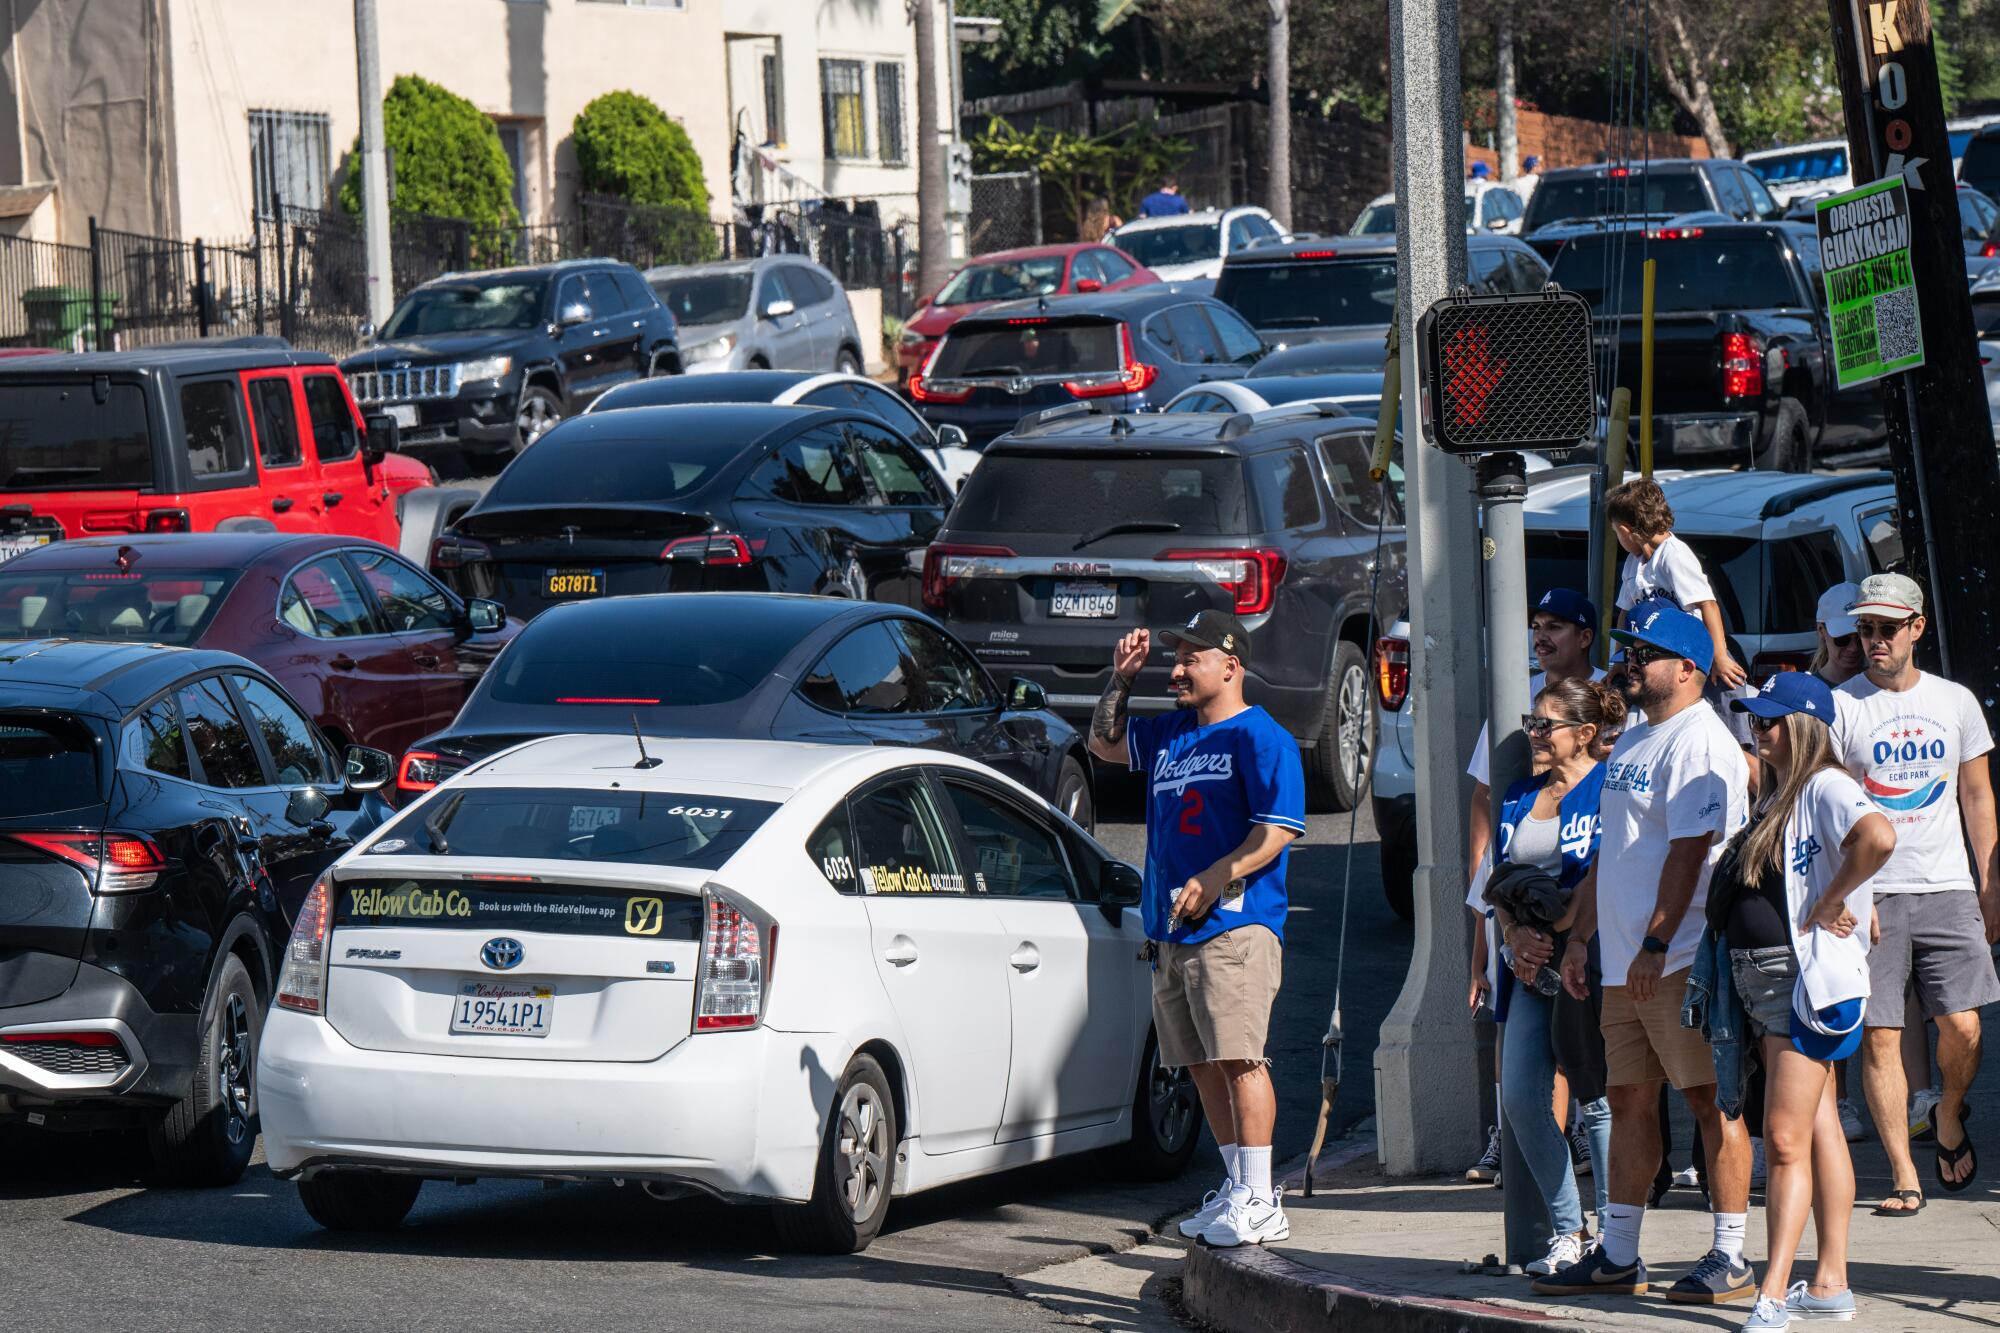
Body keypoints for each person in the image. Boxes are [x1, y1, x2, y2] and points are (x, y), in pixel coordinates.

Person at [1538, 599, 1754, 1305]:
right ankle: (1621, 1255)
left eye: (1646, 651)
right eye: (1629, 647)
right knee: (1629, 1098)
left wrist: (1658, 941)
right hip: (1626, 958)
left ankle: (1730, 1256)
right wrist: (1582, 937)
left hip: (1682, 955)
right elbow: (1614, 852)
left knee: (1709, 1101)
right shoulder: (1632, 739)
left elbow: (1691, 853)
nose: (1631, 660)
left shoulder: (1702, 740)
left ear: (1689, 668)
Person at [1087, 610, 1305, 1248]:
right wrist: (1119, 680)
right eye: (1173, 658)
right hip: (1171, 932)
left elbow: (1278, 830)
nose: (1176, 670)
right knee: (1202, 1064)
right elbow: (1103, 743)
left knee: (1240, 1058)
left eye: (1191, 659)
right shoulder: (1171, 734)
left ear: (1230, 665)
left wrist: (1218, 875)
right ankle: (1239, 1188)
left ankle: (1262, 1199)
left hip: (1236, 928)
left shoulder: (1263, 738)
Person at [1708, 672, 1894, 1331]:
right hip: (1771, 984)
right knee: (1815, 1129)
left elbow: (1879, 837)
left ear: (1807, 727)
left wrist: (1836, 897)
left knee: (1783, 1138)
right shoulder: (1782, 789)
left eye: (1772, 720)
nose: (1760, 730)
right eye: (1757, 720)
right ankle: (1831, 1281)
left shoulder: (1825, 784)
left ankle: (1775, 1292)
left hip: (1803, 985)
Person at [1829, 573, 2000, 1212]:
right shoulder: (1841, 705)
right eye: (1864, 629)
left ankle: (1949, 1112)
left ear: (1916, 629)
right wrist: (1847, 896)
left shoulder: (1955, 702)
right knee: (1880, 1034)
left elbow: (1977, 795)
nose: (1873, 640)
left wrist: (1990, 883)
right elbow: (1832, 808)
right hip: (1872, 892)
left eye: (1886, 629)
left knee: (1965, 1026)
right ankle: (1904, 1173)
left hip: (1949, 884)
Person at [1465, 588, 1605, 1183]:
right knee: (1518, 1064)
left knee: (1595, 1085)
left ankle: (1614, 1226)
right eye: (1535, 625)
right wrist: (1498, 905)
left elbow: (1612, 860)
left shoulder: (1615, 703)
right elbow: (1484, 799)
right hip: (1522, 930)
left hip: (1589, 944)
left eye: (1556, 626)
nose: (1541, 636)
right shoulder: (1514, 704)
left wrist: (1571, 929)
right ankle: (1524, 1159)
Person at [1488, 678, 1624, 1277]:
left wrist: (1569, 930)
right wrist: (1513, 935)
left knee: (1596, 1101)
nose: (1533, 734)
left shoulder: (1609, 785)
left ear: (1586, 734)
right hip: (1529, 969)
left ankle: (1617, 1238)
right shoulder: (1520, 794)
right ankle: (1571, 1229)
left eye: (1546, 724)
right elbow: (1500, 883)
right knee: (1518, 1096)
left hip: (1589, 963)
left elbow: (1607, 872)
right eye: (1531, 721)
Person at [1606, 478, 1748, 690]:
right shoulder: (1632, 563)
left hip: (1699, 651)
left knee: (1724, 702)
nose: (1618, 538)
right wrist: (1619, 660)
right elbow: (1626, 613)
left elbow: (1708, 604)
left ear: (1626, 531)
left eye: (1616, 532)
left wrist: (1718, 656)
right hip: (1664, 657)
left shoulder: (1674, 554)